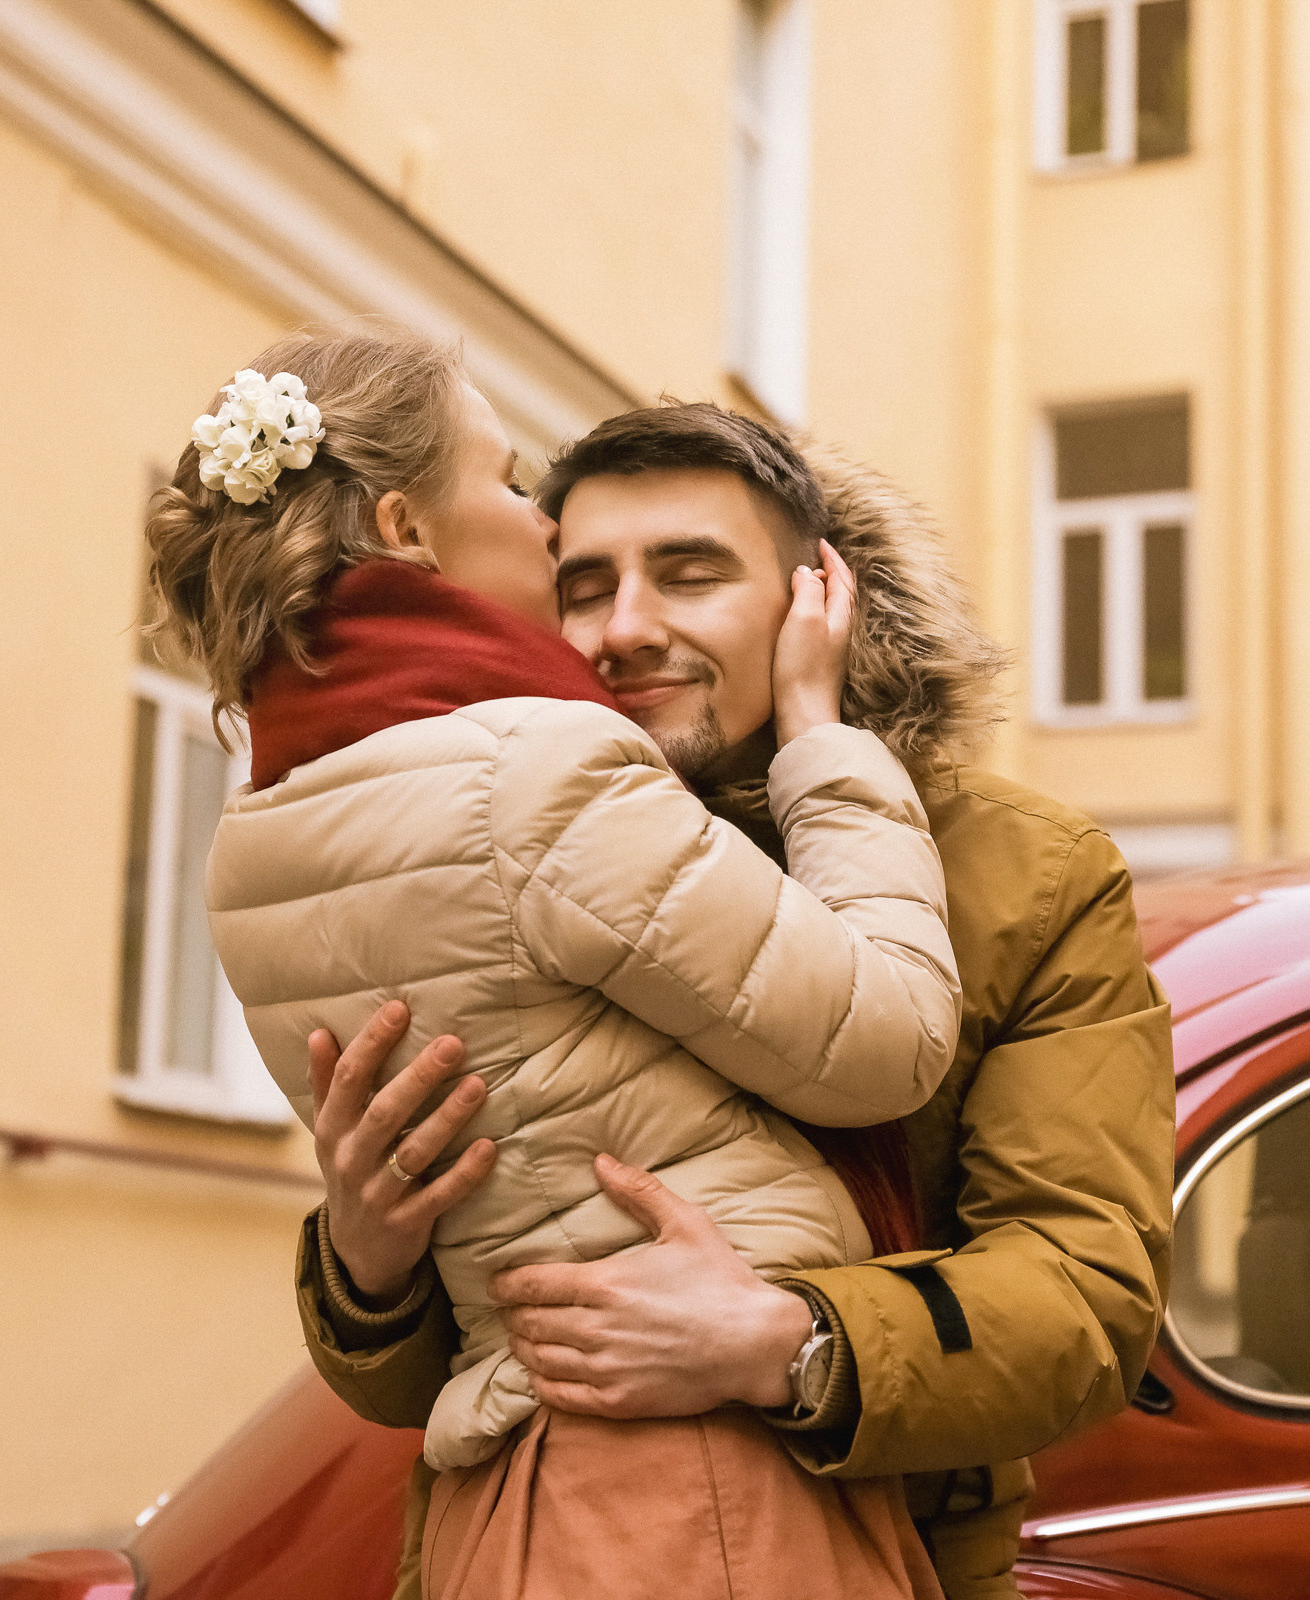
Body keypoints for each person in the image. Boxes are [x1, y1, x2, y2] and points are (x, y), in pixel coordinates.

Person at [297, 403, 1176, 1600]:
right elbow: (416, 1376)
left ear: (819, 599)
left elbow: (1083, 1295)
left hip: (870, 1543)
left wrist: (787, 1343)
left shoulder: (1027, 877)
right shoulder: (469, 850)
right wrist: (366, 1260)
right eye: (585, 582)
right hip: (529, 1546)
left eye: (690, 574)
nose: (625, 628)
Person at [146, 322, 963, 1599]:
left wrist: (370, 1261)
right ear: (409, 531)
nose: (540, 523)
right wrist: (824, 741)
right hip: (690, 1494)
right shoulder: (536, 766)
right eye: (511, 481)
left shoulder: (251, 838)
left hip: (503, 1486)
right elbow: (892, 1037)